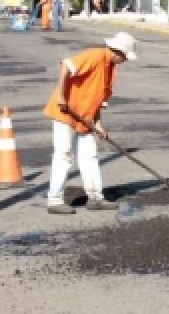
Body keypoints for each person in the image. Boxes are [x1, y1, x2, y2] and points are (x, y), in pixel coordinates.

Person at [42, 32, 138, 214]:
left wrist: (99, 124)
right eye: (125, 57)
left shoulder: (110, 70)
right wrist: (62, 96)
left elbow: (97, 100)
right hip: (64, 113)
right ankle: (54, 201)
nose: (125, 61)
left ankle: (95, 198)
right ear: (118, 52)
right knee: (64, 155)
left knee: (89, 156)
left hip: (85, 117)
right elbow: (66, 66)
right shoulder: (94, 56)